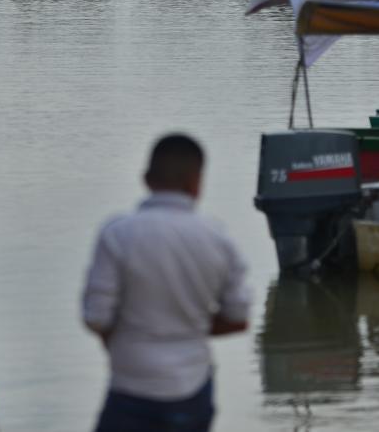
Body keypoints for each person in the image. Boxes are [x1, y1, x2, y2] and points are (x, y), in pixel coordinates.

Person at [82, 134, 252, 432]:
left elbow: (96, 317)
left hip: (130, 385)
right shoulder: (218, 239)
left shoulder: (116, 234)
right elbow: (239, 318)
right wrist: (192, 327)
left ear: (147, 178)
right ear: (197, 183)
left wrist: (129, 335)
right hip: (192, 387)